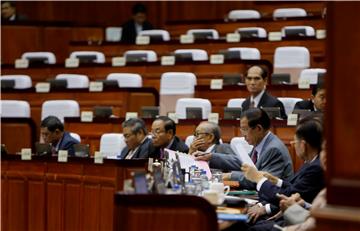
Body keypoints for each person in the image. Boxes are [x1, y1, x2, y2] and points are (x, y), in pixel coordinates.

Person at [240, 116, 325, 227]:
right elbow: (294, 188)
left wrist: (258, 178)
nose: (292, 145)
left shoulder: (316, 167)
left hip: (298, 221)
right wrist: (276, 181)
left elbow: (288, 195)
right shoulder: (310, 162)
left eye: (295, 142)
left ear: (303, 145)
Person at [195, 108, 293, 190]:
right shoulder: (261, 143)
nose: (242, 134)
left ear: (258, 129)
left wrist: (229, 176)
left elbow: (261, 181)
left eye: (245, 129)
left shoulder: (273, 149)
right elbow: (243, 163)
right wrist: (211, 156)